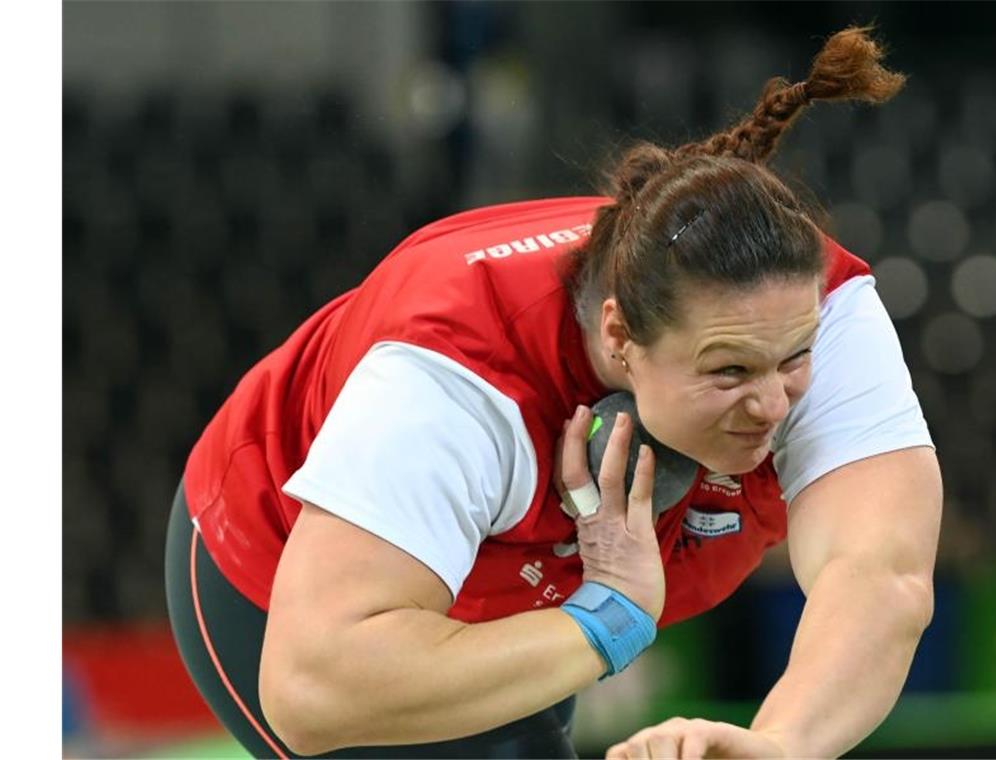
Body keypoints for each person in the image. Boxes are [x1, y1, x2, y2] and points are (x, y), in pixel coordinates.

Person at [164, 25, 942, 760]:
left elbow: (880, 576)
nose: (775, 405)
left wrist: (781, 745)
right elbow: (311, 687)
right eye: (729, 371)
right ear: (618, 339)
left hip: (522, 590)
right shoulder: (454, 383)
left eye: (791, 362)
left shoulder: (815, 307)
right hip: (281, 579)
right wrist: (606, 621)